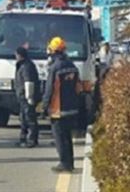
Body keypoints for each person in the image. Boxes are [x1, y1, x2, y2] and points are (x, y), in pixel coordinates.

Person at [42, 37, 82, 172]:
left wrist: (44, 106)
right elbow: (78, 87)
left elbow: (49, 89)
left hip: (58, 108)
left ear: (53, 51)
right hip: (71, 108)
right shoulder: (72, 66)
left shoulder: (54, 68)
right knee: (68, 137)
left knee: (59, 137)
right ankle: (70, 163)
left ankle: (64, 163)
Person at [14, 46, 40, 148]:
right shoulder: (24, 65)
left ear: (19, 55)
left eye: (16, 55)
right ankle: (23, 138)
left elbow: (29, 82)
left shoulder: (26, 66)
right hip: (23, 97)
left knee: (29, 118)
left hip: (27, 97)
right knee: (24, 118)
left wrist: (29, 97)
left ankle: (32, 139)